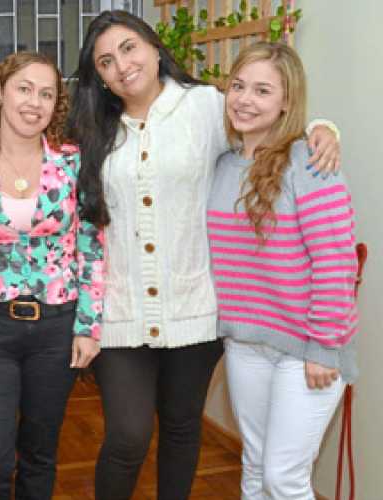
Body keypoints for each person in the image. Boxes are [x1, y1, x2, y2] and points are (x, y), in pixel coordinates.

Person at [67, 10, 342, 500]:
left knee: (181, 428)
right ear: (101, 78)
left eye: (129, 47)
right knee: (127, 436)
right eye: (105, 61)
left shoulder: (205, 106)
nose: (122, 65)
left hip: (194, 311)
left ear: (153, 47)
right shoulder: (94, 130)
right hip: (122, 311)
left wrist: (322, 127)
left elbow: (266, 118)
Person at [0, 51, 104, 500]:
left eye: (47, 93)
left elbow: (92, 248)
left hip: (55, 329)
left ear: (57, 105)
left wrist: (88, 326)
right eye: (24, 88)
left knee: (39, 455)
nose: (34, 102)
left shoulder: (74, 164)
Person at [209, 41, 358, 500]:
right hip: (245, 343)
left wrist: (323, 347)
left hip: (306, 350)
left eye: (262, 90)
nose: (245, 99)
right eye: (238, 86)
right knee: (254, 469)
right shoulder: (221, 164)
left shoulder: (309, 163)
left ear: (286, 102)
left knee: (283, 478)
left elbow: (335, 259)